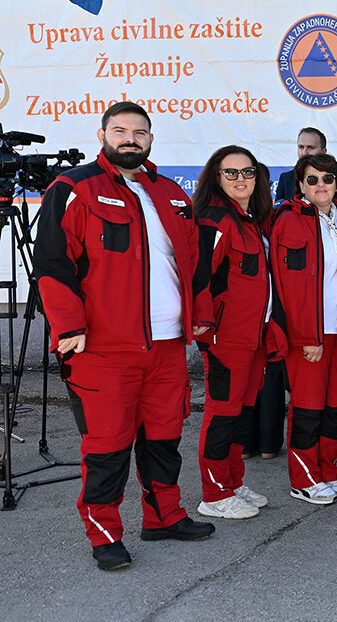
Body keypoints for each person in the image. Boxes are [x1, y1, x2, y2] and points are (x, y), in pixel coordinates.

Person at [33, 101, 216, 570]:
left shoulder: (171, 193)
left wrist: (201, 316)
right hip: (103, 350)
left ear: (151, 139)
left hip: (168, 347)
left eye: (139, 132)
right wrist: (67, 325)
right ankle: (103, 534)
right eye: (120, 130)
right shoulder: (74, 188)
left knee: (163, 438)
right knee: (108, 446)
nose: (130, 139)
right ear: (102, 134)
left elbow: (193, 265)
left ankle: (163, 517)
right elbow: (54, 263)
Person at [192, 145, 276, 520]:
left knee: (242, 413)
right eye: (232, 173)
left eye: (248, 172)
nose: (241, 179)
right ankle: (213, 493)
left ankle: (232, 482)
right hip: (225, 338)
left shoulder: (250, 219)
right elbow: (200, 277)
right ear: (216, 176)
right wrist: (206, 327)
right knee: (222, 413)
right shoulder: (213, 219)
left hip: (253, 336)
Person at [270, 153, 337, 505]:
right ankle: (303, 478)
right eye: (312, 179)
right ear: (300, 184)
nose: (321, 185)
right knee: (308, 408)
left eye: (328, 178)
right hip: (311, 334)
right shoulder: (289, 220)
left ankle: (326, 472)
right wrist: (307, 336)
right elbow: (288, 284)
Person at [274, 127, 337, 212]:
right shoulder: (286, 178)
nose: (304, 153)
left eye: (310, 147)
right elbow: (278, 215)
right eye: (301, 147)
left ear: (324, 151)